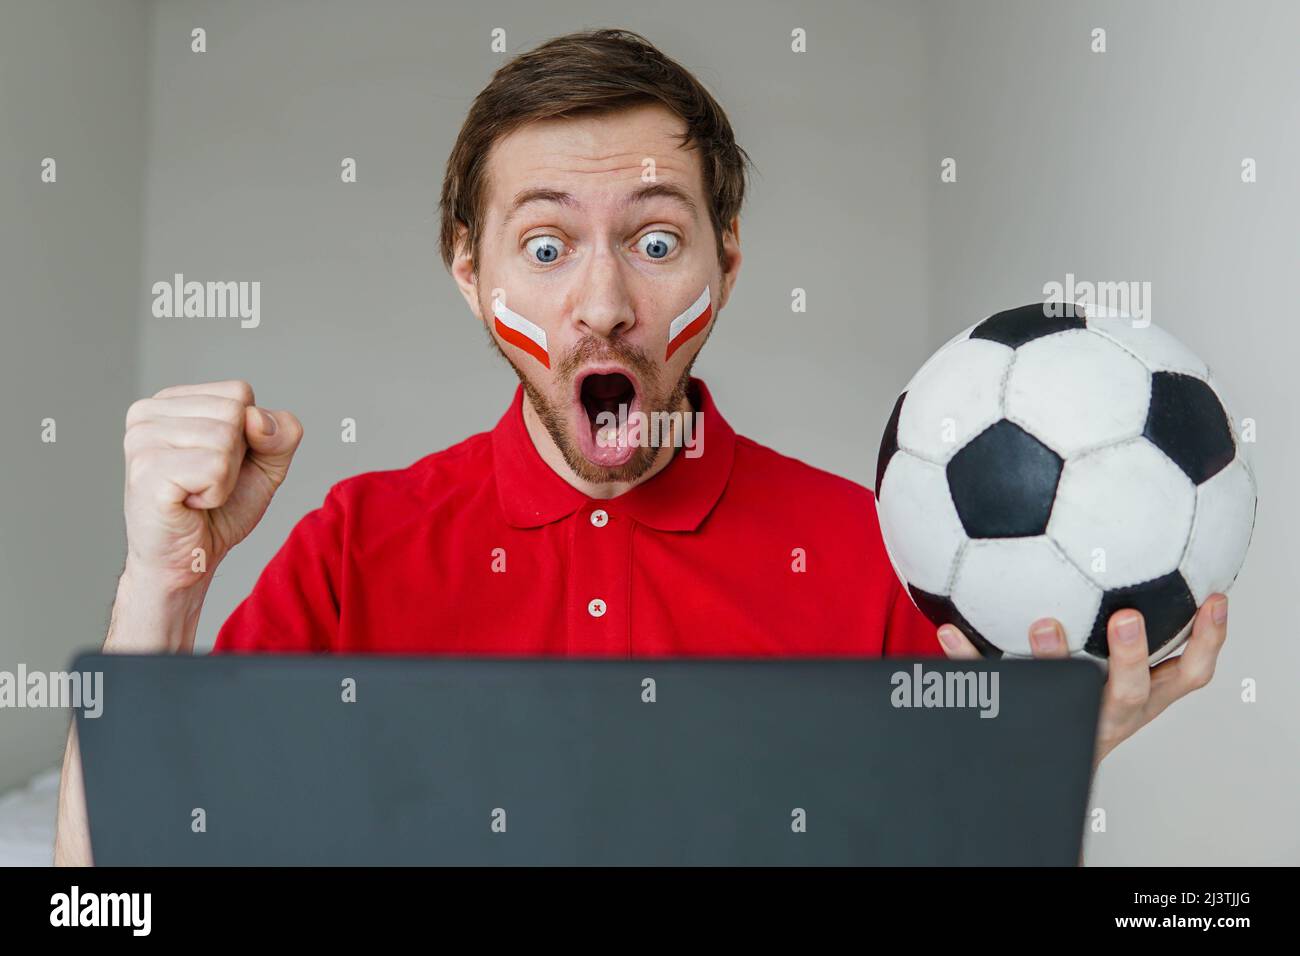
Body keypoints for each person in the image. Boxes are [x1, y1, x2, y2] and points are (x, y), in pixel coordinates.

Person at [54, 28, 1230, 865]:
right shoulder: (357, 545)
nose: (605, 304)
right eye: (548, 247)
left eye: (658, 240)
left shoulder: (880, 548)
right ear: (470, 272)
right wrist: (164, 583)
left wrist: (1036, 773)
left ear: (727, 255)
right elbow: (104, 906)